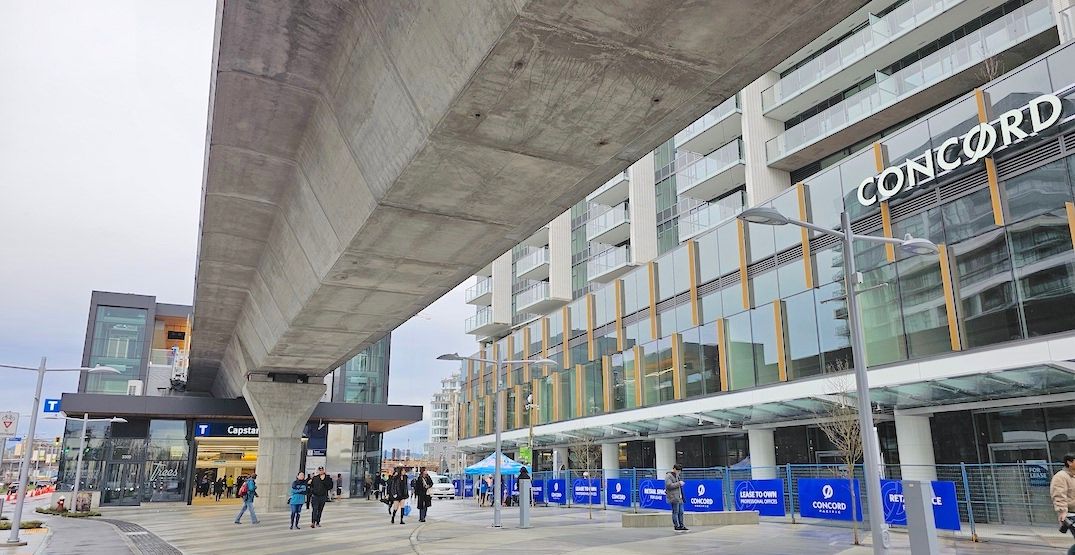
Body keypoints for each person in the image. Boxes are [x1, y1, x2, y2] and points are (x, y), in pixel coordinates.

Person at [1051, 454, 1075, 554]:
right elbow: (1058, 495)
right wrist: (1062, 511)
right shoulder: (1060, 477)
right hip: (1070, 514)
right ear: (1069, 462)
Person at [665, 463, 687, 532]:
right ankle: (676, 526)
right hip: (673, 497)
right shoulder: (668, 476)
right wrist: (679, 483)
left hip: (679, 497)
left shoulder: (677, 476)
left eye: (679, 471)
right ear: (674, 469)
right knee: (675, 512)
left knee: (681, 512)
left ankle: (681, 525)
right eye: (677, 470)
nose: (678, 472)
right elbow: (669, 485)